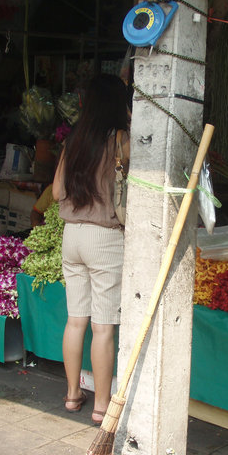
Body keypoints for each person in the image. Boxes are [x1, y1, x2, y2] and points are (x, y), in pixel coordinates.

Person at [52, 74, 129, 425]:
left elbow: (56, 193)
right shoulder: (120, 141)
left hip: (72, 236)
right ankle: (101, 406)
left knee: (75, 320)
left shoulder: (75, 140)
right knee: (102, 327)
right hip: (105, 238)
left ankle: (71, 395)